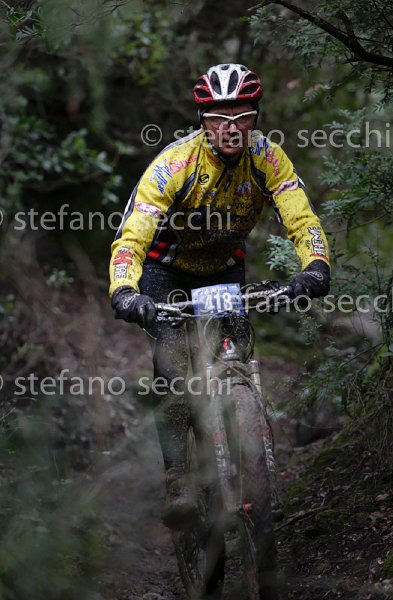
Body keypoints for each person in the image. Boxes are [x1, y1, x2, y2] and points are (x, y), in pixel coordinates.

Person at [109, 63, 330, 529]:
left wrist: (315, 265)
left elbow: (301, 218)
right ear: (202, 120)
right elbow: (132, 237)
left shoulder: (268, 158)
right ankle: (178, 478)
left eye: (242, 116)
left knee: (237, 354)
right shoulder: (174, 164)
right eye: (218, 117)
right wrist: (125, 290)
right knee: (172, 365)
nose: (231, 127)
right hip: (164, 272)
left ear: (255, 118)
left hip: (223, 269)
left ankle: (251, 461)